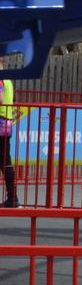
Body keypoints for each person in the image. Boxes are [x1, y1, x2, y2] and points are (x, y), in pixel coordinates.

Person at [0, 78, 17, 208]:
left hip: (1, 123)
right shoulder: (8, 81)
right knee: (5, 161)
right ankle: (12, 198)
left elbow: (0, 100)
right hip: (6, 123)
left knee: (5, 162)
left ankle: (13, 198)